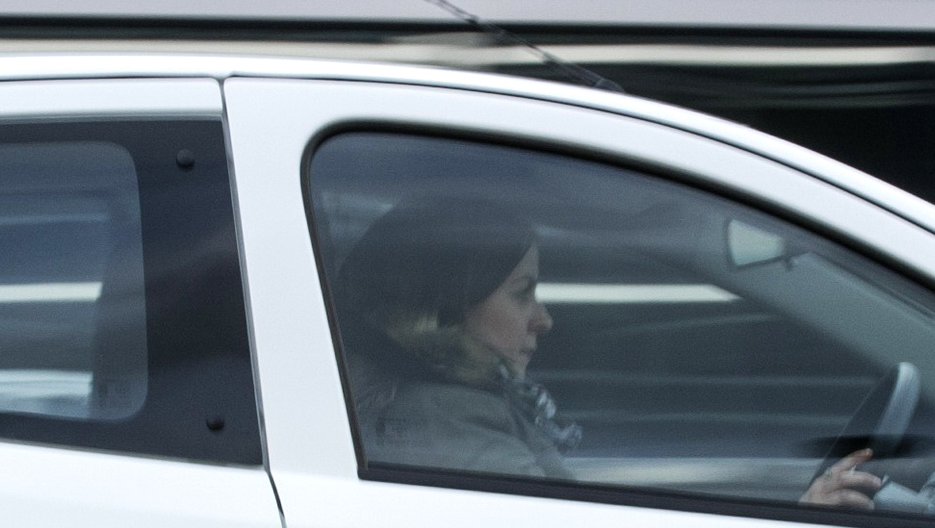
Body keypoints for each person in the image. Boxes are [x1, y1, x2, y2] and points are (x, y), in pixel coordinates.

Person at [336, 195, 882, 505]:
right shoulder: (442, 422)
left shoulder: (448, 412)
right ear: (448, 309)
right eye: (523, 294)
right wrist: (797, 524)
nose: (544, 320)